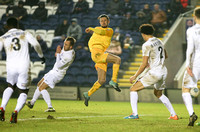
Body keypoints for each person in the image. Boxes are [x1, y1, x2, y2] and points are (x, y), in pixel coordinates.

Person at [124, 24, 178, 120]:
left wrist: (135, 76)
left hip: (155, 72)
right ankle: (173, 115)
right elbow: (165, 55)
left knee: (133, 89)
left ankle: (135, 114)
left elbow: (144, 64)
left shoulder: (146, 45)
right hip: (163, 71)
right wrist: (152, 61)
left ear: (143, 34)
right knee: (158, 94)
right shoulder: (159, 41)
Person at [0, 17, 45, 123]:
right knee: (23, 91)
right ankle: (15, 112)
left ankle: (2, 107)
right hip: (23, 65)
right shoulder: (25, 33)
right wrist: (41, 56)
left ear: (7, 26)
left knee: (10, 86)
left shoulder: (3, 37)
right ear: (18, 25)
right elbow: (36, 44)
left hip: (10, 66)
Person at [26, 37, 76, 112]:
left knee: (42, 88)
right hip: (53, 71)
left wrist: (58, 54)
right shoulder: (66, 49)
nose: (64, 46)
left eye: (66, 44)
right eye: (64, 43)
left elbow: (59, 65)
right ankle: (32, 102)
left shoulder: (69, 56)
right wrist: (58, 54)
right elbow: (60, 54)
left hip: (57, 74)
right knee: (39, 84)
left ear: (70, 47)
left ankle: (50, 107)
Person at [83, 14, 121, 106]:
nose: (103, 22)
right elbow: (95, 36)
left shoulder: (109, 30)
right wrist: (92, 30)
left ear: (108, 22)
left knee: (101, 80)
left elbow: (101, 33)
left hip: (99, 54)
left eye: (105, 20)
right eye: (101, 21)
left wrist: (91, 29)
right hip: (96, 53)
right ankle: (114, 81)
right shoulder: (97, 29)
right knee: (117, 59)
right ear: (99, 22)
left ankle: (87, 94)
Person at [182, 7, 200, 127]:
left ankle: (192, 113)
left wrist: (188, 64)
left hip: (196, 62)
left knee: (185, 88)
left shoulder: (192, 30)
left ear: (194, 16)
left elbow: (190, 49)